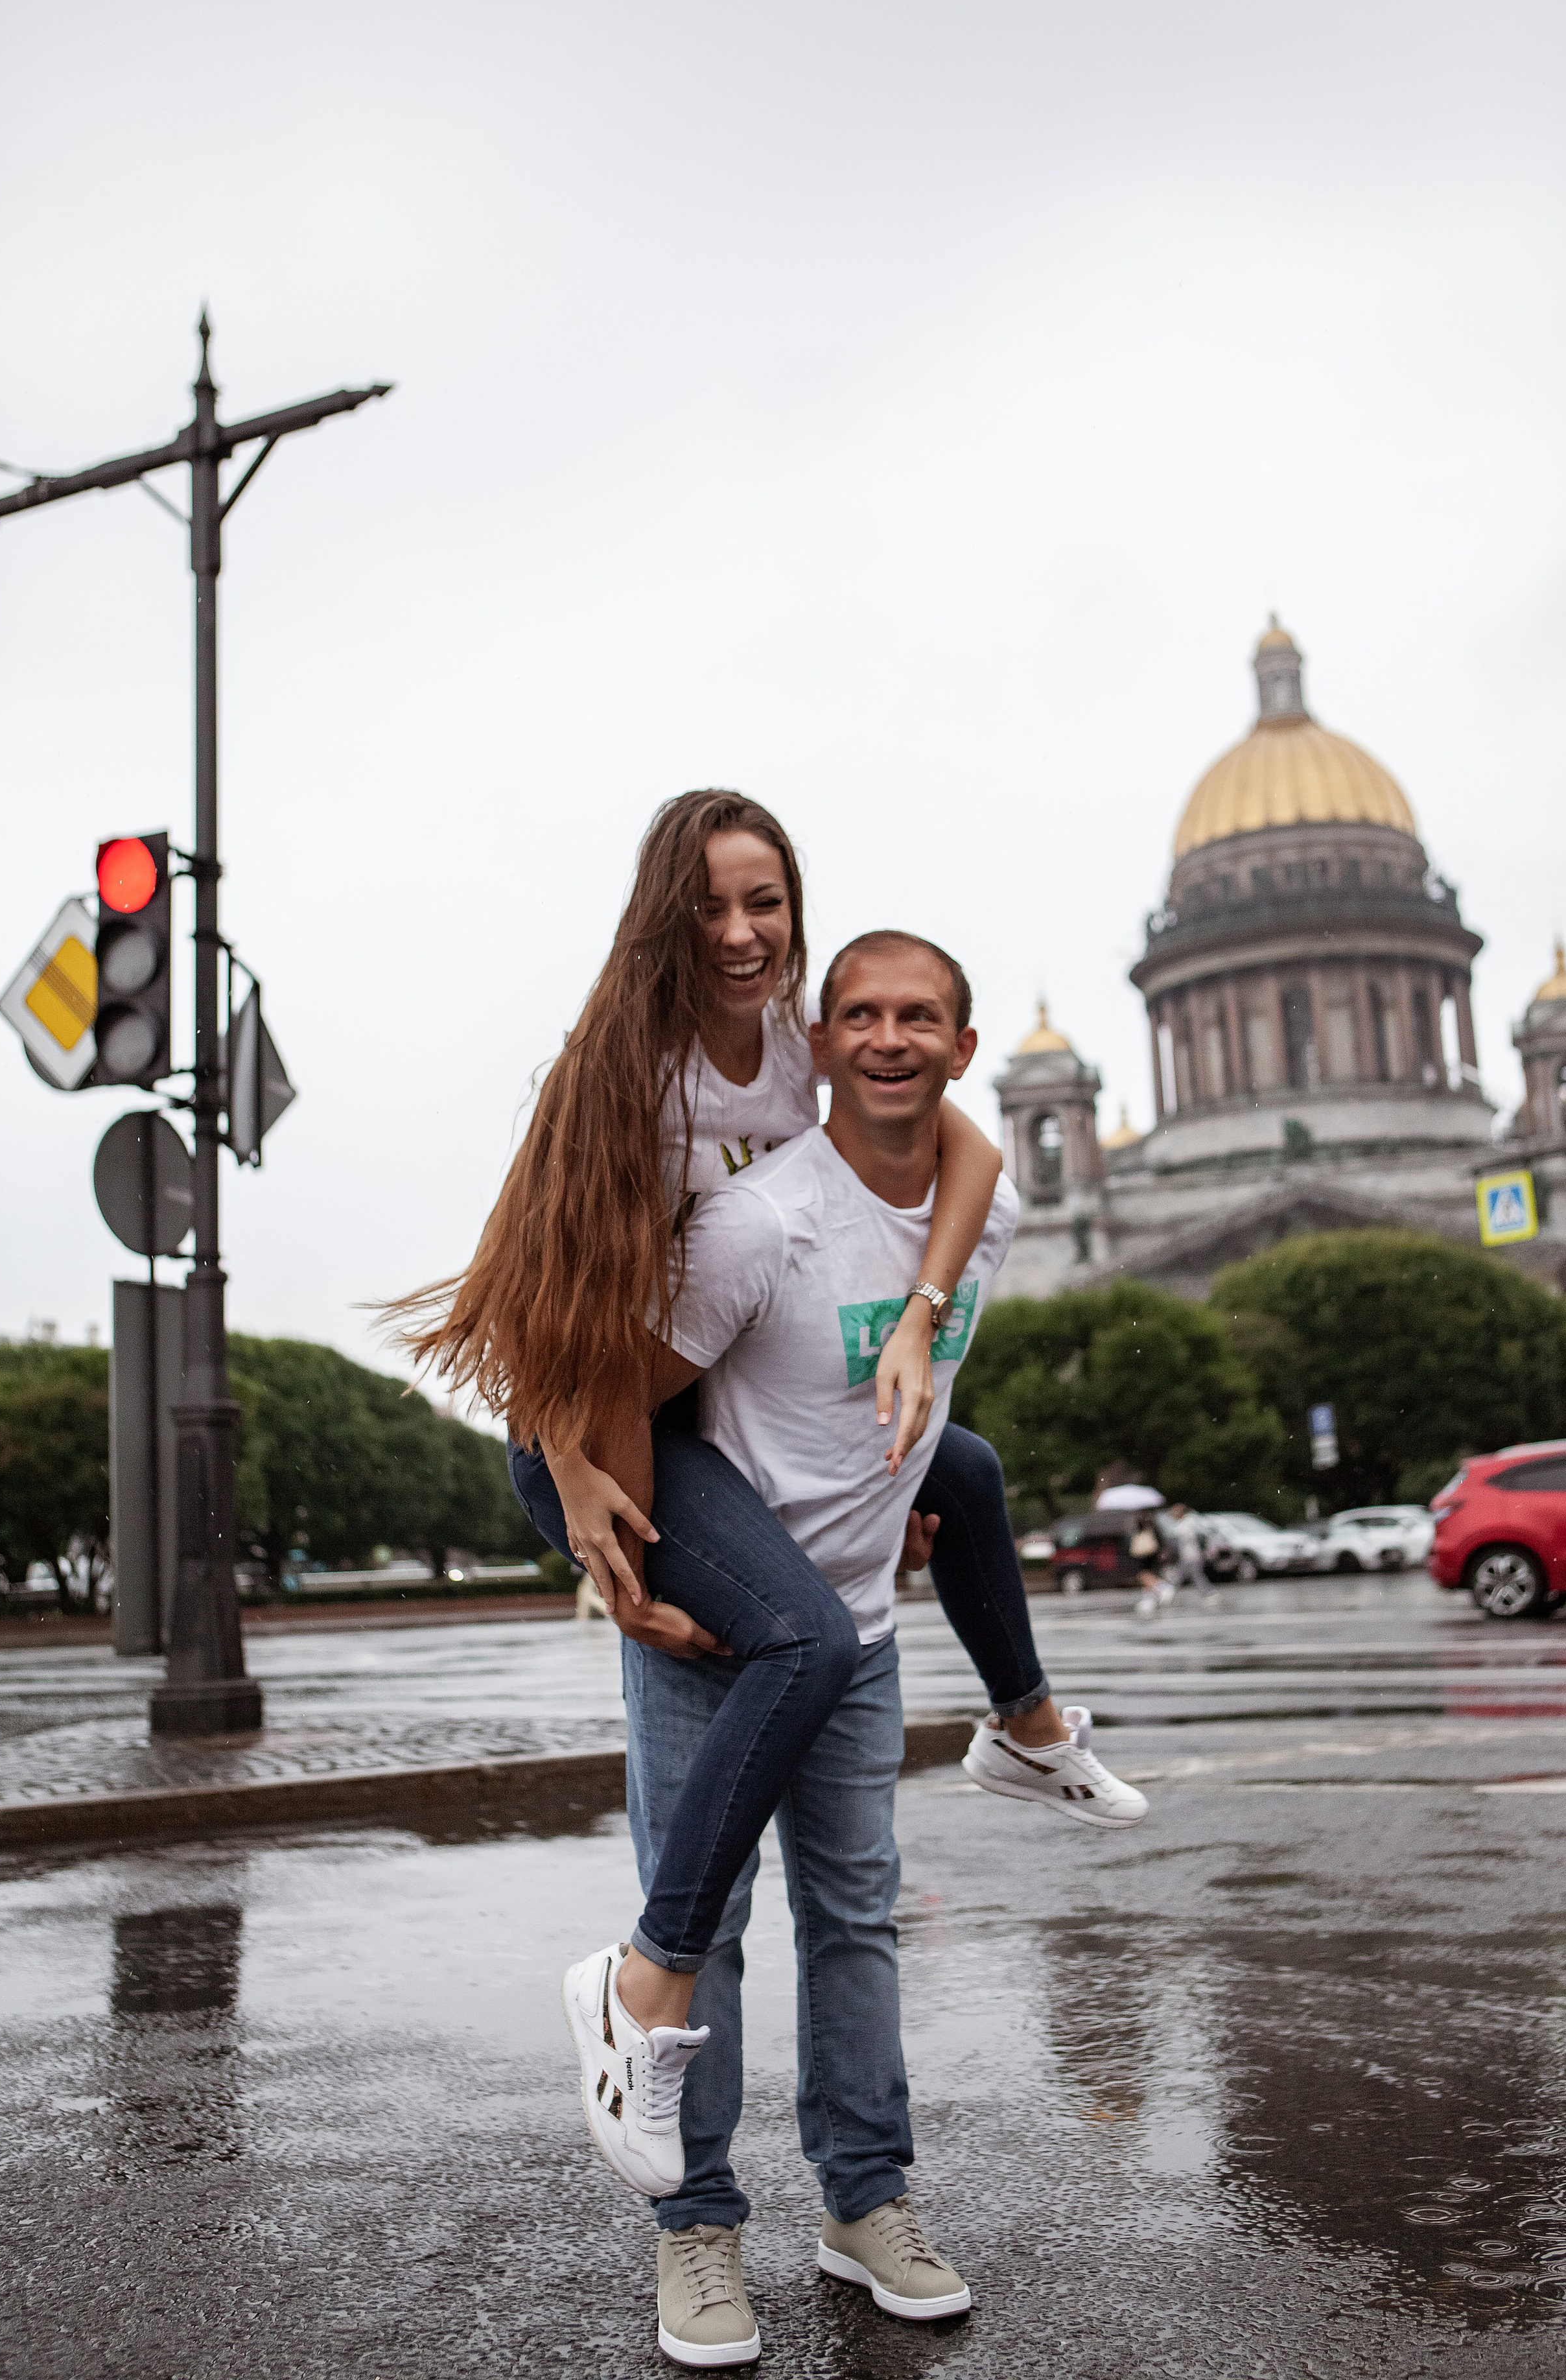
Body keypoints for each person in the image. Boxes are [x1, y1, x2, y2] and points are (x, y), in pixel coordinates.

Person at [561, 928, 1032, 2364]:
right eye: (861, 1016)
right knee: (707, 1930)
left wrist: (898, 1504)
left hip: (862, 1633)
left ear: (960, 1053)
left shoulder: (977, 1218)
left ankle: (864, 2201)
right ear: (818, 1046)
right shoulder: (760, 1223)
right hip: (722, 1626)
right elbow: (617, 1382)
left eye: (921, 1020)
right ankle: (695, 2228)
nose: (889, 1039)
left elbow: (908, 1397)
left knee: (857, 1925)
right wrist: (593, 1514)